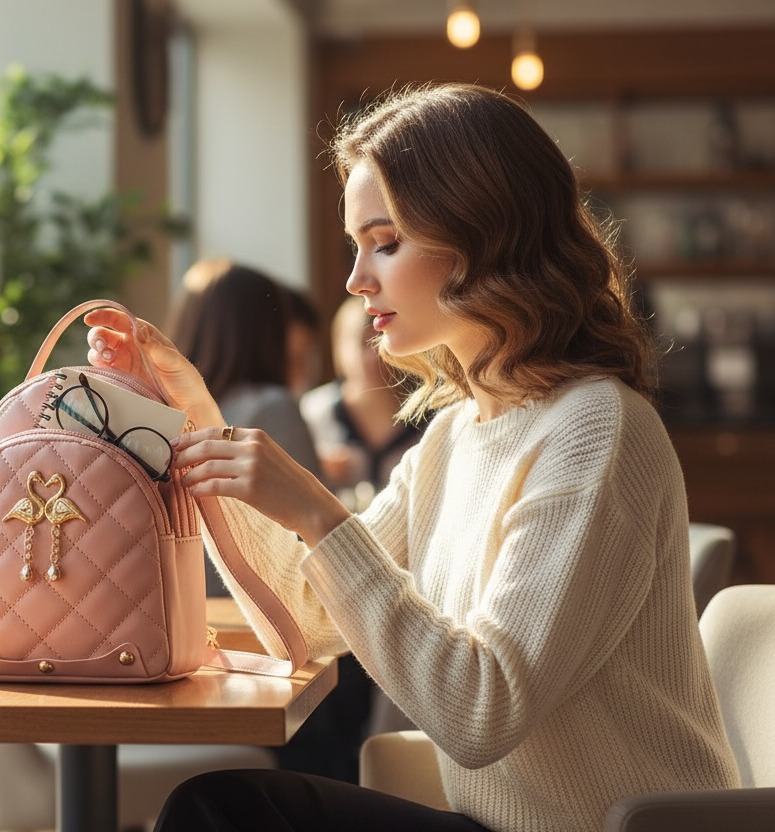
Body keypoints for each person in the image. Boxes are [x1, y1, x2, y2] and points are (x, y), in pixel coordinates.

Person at [84, 82, 739, 832]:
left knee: (223, 814)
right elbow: (304, 626)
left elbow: (479, 712)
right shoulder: (455, 436)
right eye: (356, 246)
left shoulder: (595, 430)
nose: (355, 280)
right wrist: (195, 419)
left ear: (484, 234)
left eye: (386, 242)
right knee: (218, 809)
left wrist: (320, 514)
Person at [167, 258, 322, 484]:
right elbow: (311, 502)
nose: (304, 374)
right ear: (268, 332)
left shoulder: (161, 410)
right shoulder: (273, 407)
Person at [301, 294, 425, 512]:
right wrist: (317, 472)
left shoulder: (426, 412)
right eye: (362, 344)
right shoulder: (314, 411)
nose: (373, 356)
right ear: (339, 347)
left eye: (381, 341)